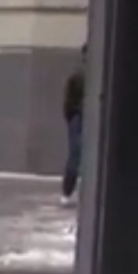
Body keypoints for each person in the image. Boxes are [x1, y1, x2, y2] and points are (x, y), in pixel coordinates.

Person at [62, 44, 87, 206]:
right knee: (76, 154)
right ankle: (67, 191)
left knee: (76, 155)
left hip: (78, 116)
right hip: (79, 116)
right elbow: (69, 102)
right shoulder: (79, 76)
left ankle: (68, 192)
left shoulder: (79, 75)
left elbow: (68, 103)